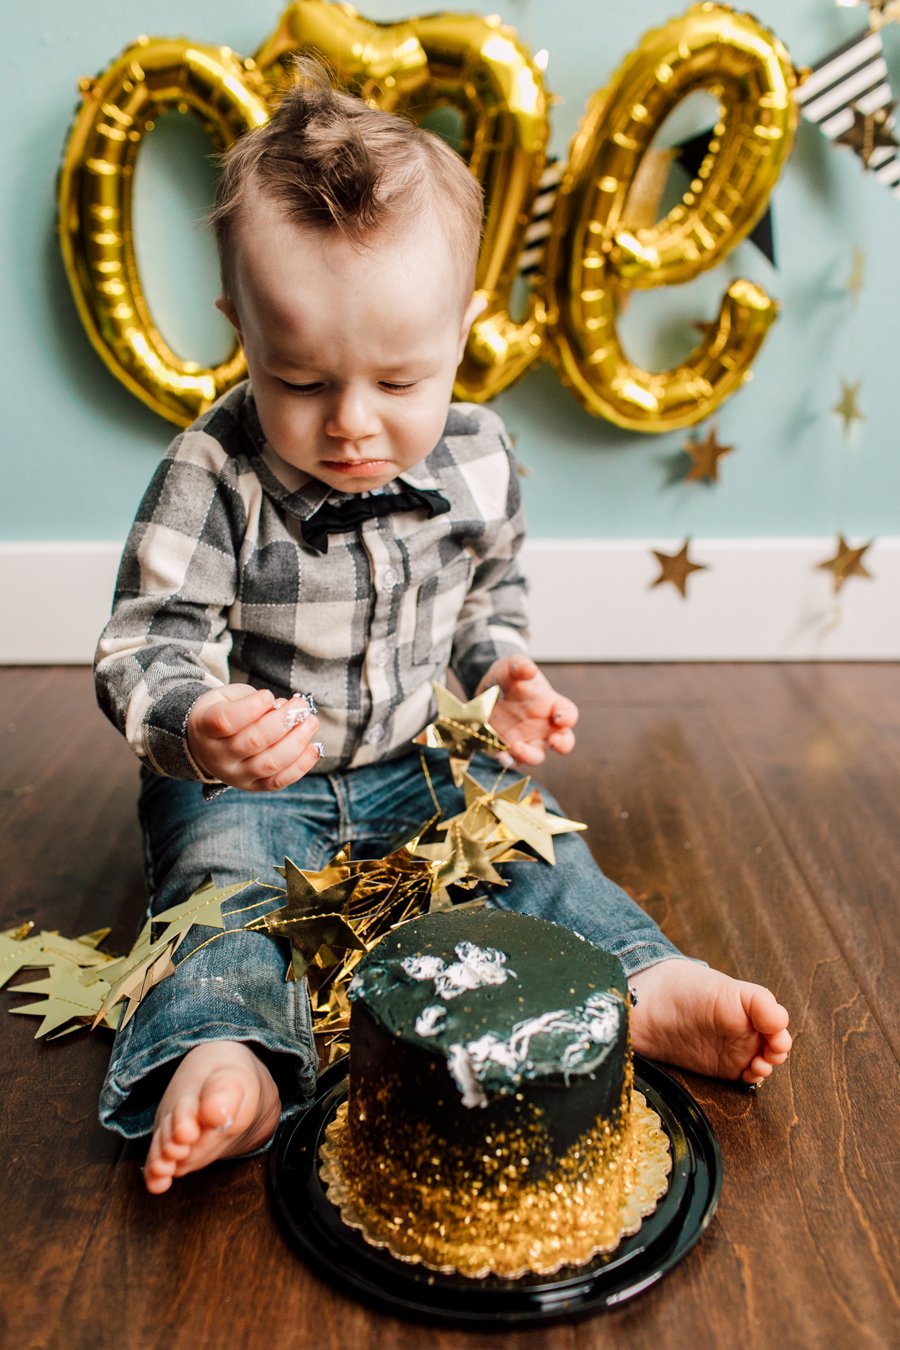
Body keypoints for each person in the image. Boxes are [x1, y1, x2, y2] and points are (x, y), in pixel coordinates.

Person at [94, 62, 791, 1196]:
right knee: (221, 892)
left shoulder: (477, 456)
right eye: (301, 379)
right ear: (240, 329)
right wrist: (199, 719)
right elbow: (142, 645)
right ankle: (232, 1054)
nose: (354, 424)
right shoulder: (211, 471)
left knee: (536, 844)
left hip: (424, 758)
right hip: (256, 785)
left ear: (465, 330)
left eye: (399, 377)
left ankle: (642, 985)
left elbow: (486, 599)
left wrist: (500, 670)